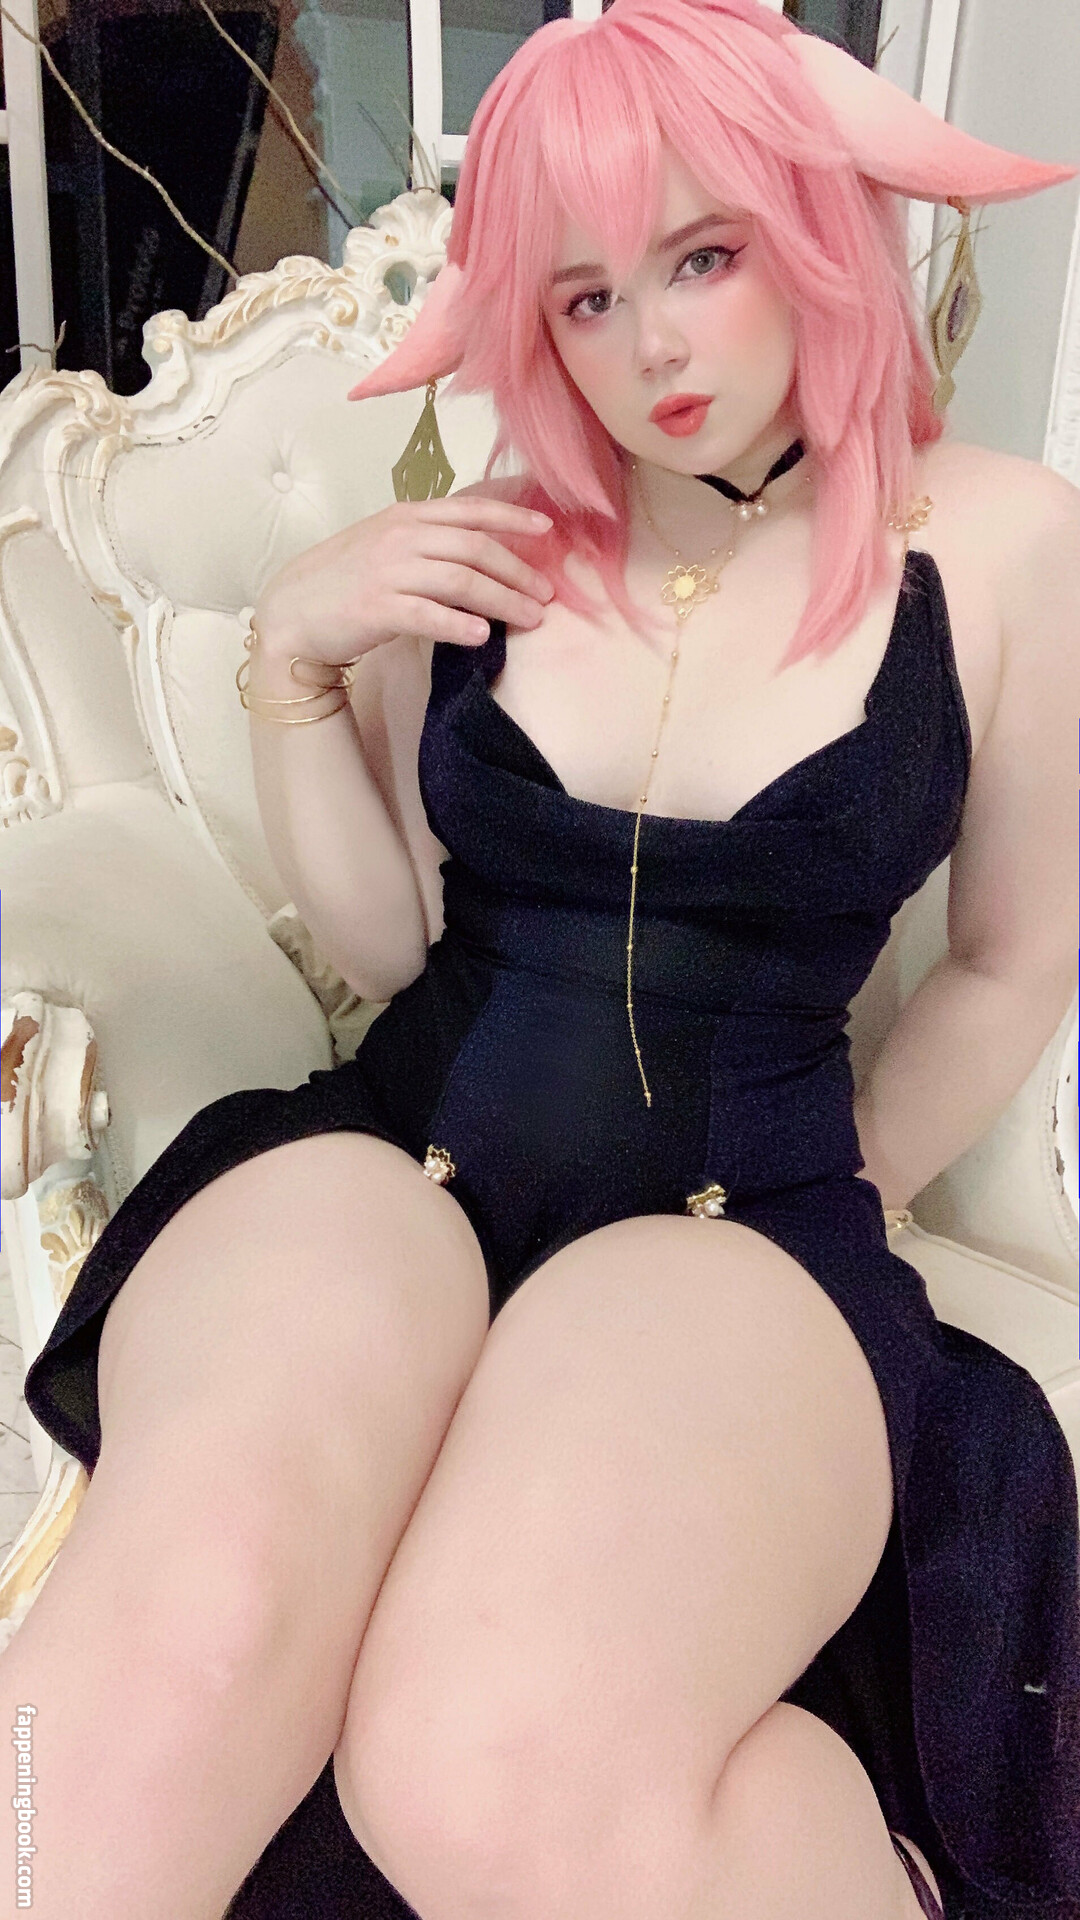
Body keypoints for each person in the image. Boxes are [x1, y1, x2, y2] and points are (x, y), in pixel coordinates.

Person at [8, 2, 1079, 1916]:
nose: (649, 345)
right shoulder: (484, 545)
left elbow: (1011, 960)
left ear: (811, 232)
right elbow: (390, 940)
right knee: (190, 1617)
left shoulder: (999, 547)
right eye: (586, 297)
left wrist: (846, 1180)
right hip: (394, 1163)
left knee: (477, 1762)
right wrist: (294, 659)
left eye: (701, 259)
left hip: (739, 1231)